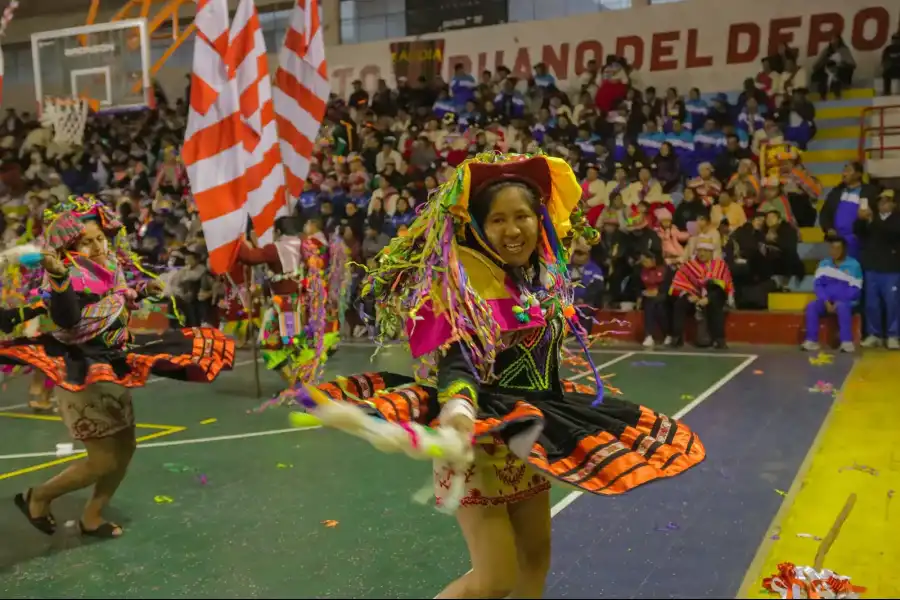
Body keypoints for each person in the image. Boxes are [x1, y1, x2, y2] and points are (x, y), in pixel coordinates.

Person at [292, 153, 705, 599]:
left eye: (523, 216)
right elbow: (458, 360)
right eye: (498, 220)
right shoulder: (461, 285)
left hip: (531, 435)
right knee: (494, 580)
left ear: (539, 219)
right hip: (479, 441)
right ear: (478, 227)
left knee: (536, 560)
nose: (513, 230)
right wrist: (458, 411)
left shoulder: (541, 275)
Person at [0, 195, 235, 538]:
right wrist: (61, 279)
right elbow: (67, 317)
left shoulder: (109, 263)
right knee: (103, 460)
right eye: (86, 241)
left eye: (100, 238)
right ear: (69, 245)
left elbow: (117, 295)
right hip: (83, 372)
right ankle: (37, 496)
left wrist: (143, 289)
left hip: (115, 363)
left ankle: (91, 517)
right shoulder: (64, 276)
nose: (97, 246)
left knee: (126, 447)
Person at [235, 216, 339, 387]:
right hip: (307, 303)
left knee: (275, 345)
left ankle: (297, 386)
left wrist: (237, 239)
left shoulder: (274, 248)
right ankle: (305, 383)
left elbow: (249, 257)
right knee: (301, 345)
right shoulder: (307, 244)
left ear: (277, 231)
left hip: (287, 308)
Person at [854, 189, 900, 349]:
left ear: (893, 204)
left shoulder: (896, 219)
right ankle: (874, 334)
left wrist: (872, 220)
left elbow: (892, 233)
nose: (882, 203)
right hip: (872, 266)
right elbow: (858, 233)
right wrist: (860, 219)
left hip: (891, 268)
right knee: (871, 303)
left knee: (892, 303)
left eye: (887, 200)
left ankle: (893, 335)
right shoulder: (870, 219)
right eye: (880, 200)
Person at [669, 240, 734, 349]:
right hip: (694, 296)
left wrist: (708, 298)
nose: (702, 253)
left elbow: (722, 287)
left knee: (715, 304)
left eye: (705, 251)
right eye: (699, 250)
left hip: (714, 296)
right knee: (680, 303)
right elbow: (679, 284)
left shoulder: (719, 265)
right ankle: (676, 337)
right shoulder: (689, 265)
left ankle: (719, 339)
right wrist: (688, 295)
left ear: (711, 252)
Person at [802, 237, 862, 353]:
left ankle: (846, 342)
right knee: (812, 306)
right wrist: (825, 300)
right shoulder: (824, 264)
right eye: (832, 248)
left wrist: (839, 300)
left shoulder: (854, 265)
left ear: (844, 250)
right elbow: (818, 285)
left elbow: (856, 289)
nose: (834, 251)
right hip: (826, 301)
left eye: (838, 248)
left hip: (846, 301)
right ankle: (811, 341)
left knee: (843, 307)